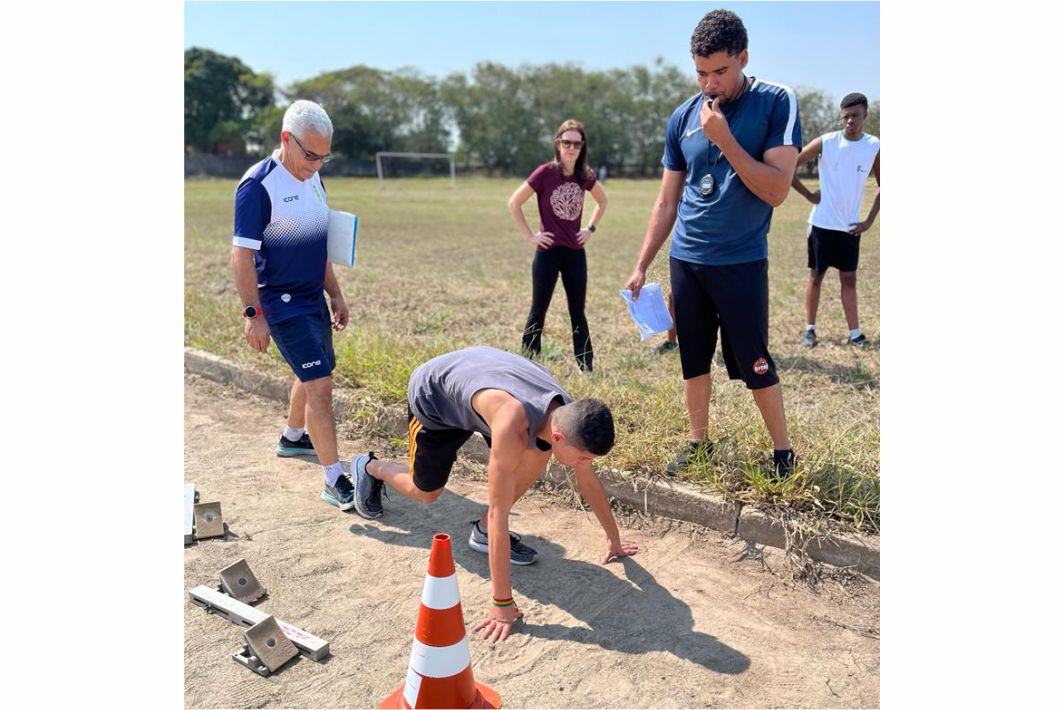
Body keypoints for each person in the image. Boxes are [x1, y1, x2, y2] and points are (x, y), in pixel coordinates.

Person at [348, 346, 639, 643]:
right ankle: (371, 467)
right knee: (427, 492)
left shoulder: (563, 412)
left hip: (480, 386)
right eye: (583, 458)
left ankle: (482, 533)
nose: (584, 465)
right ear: (559, 437)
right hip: (435, 397)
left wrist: (613, 540)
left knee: (538, 452)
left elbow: (587, 482)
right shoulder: (511, 425)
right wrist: (501, 605)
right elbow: (502, 512)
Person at [623, 9, 801, 479]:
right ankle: (699, 443)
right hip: (687, 260)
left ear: (742, 58)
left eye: (720, 71)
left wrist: (723, 139)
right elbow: (666, 202)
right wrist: (642, 264)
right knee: (692, 356)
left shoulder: (777, 102)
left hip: (740, 260)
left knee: (755, 360)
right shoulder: (682, 117)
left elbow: (777, 190)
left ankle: (783, 452)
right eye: (701, 73)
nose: (709, 83)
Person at [231, 100, 355, 510]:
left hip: (312, 298)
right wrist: (253, 315)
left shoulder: (314, 180)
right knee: (320, 386)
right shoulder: (257, 186)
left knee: (315, 371)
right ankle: (334, 480)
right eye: (311, 155)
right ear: (287, 139)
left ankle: (292, 437)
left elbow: (319, 244)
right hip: (280, 304)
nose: (318, 164)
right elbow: (242, 256)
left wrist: (334, 292)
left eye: (325, 156)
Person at [508, 120, 608, 372]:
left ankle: (586, 365)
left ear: (582, 146)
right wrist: (531, 236)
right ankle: (528, 363)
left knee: (578, 311)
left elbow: (602, 201)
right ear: (558, 144)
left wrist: (590, 229)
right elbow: (514, 203)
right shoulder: (545, 173)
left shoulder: (585, 175)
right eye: (566, 142)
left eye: (576, 143)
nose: (571, 147)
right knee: (538, 309)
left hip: (575, 252)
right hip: (547, 253)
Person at [791, 93, 880, 349]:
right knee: (815, 277)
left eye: (855, 115)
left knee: (849, 280)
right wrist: (808, 195)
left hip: (850, 228)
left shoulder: (874, 146)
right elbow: (789, 166)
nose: (850, 121)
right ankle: (809, 330)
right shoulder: (826, 142)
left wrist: (869, 220)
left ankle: (855, 334)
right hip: (821, 225)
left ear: (865, 115)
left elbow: (882, 186)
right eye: (846, 116)